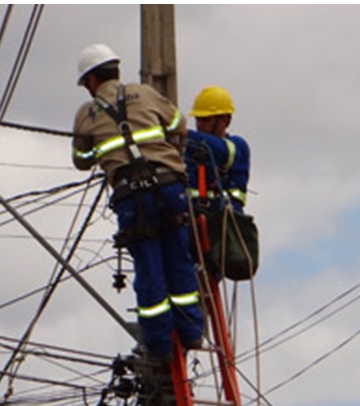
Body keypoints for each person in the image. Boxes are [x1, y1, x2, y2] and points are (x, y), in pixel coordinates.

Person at [71, 43, 204, 359]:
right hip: (170, 186)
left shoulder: (86, 114)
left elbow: (82, 159)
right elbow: (178, 125)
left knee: (150, 270)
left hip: (133, 198)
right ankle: (192, 333)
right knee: (180, 262)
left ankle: (158, 346)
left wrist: (104, 147)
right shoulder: (145, 93)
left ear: (90, 81)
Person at [183, 86, 250, 214]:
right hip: (193, 220)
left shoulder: (238, 146)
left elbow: (222, 151)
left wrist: (184, 133)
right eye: (197, 119)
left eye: (206, 120)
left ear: (225, 120)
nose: (199, 125)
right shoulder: (190, 148)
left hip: (225, 222)